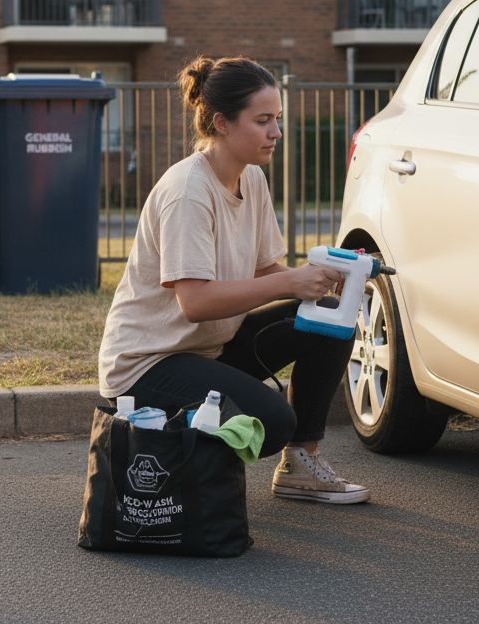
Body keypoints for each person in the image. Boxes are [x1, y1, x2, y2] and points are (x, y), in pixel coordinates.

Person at [98, 55, 369, 504]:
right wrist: (291, 283)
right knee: (273, 422)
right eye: (262, 120)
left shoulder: (253, 179)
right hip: (148, 364)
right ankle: (172, 449)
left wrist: (319, 281)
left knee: (329, 320)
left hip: (208, 348)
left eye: (277, 119)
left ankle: (301, 466)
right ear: (222, 123)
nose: (276, 132)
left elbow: (265, 270)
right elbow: (196, 303)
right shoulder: (188, 191)